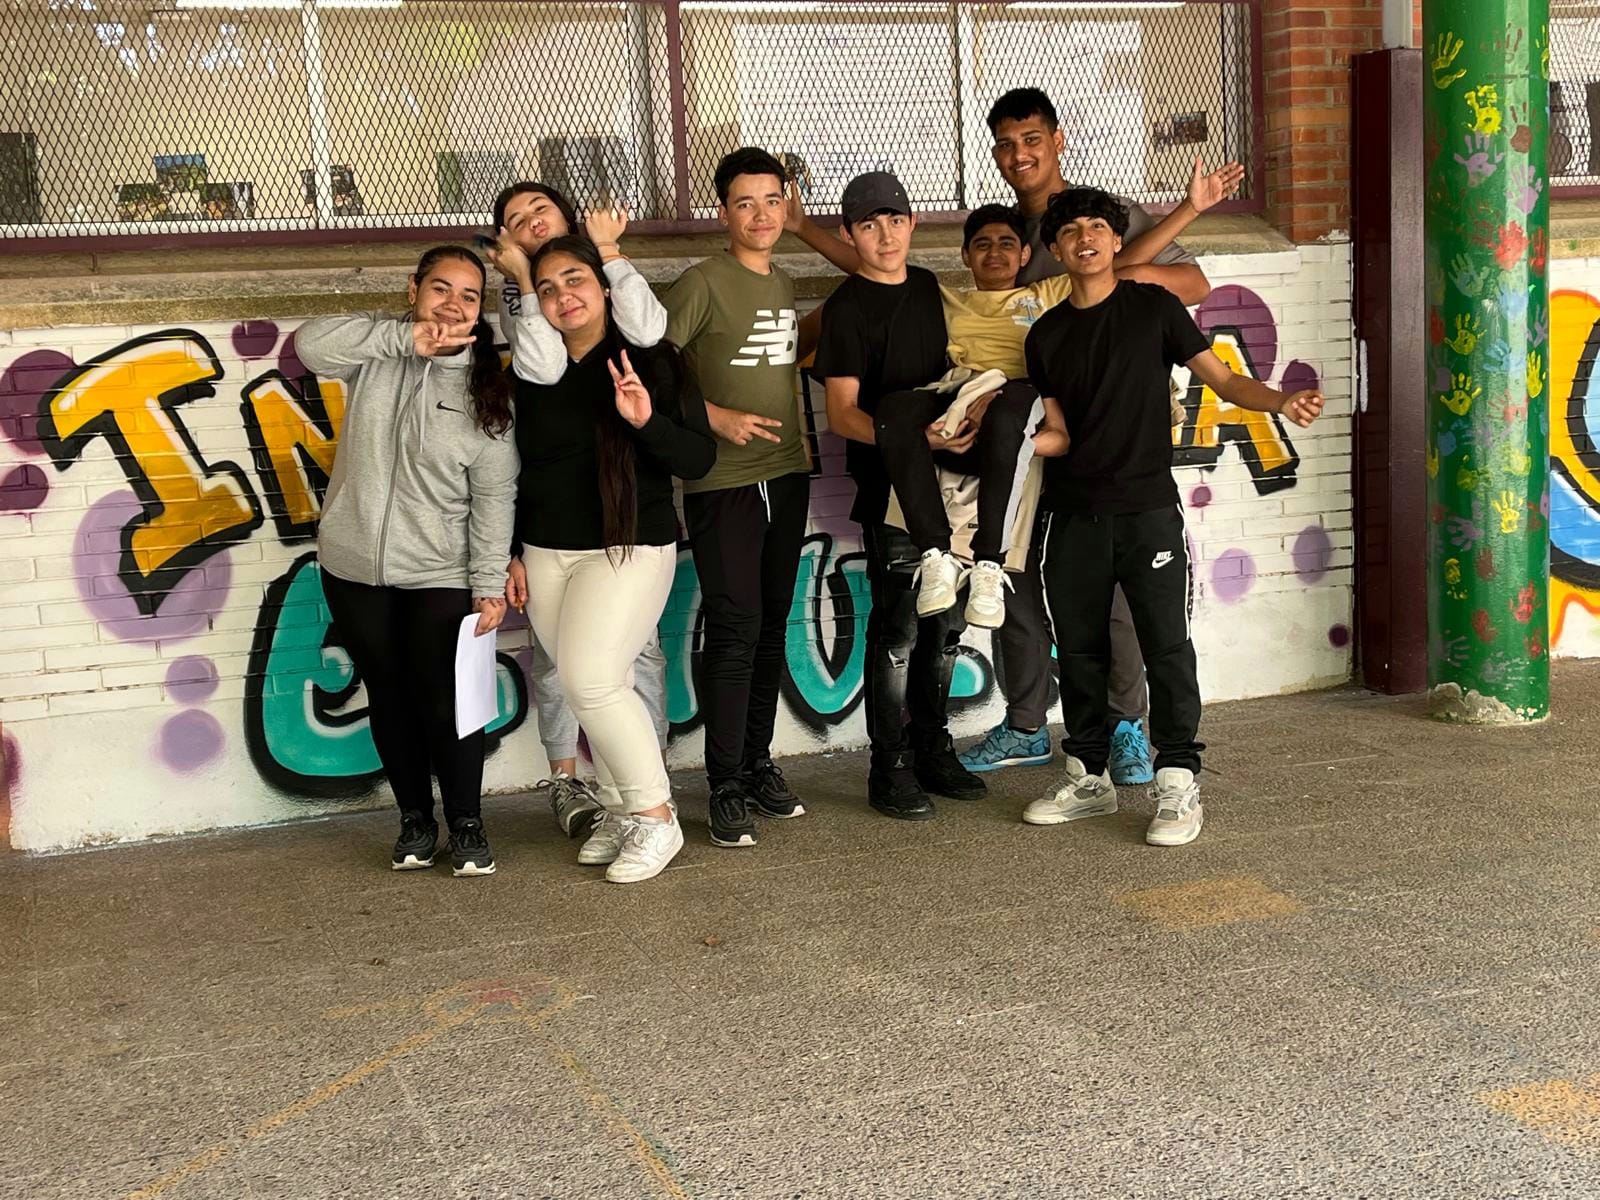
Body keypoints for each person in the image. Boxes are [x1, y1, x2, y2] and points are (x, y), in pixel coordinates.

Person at [1022, 188, 1324, 845]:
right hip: (1072, 516)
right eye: (1070, 232)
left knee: (1165, 648)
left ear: (1115, 240)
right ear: (1055, 249)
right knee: (1080, 652)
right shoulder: (1045, 335)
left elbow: (1224, 381)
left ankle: (1179, 780)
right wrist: (997, 446)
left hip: (1147, 512)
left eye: (1097, 228)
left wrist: (1280, 402)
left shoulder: (1153, 308)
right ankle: (1089, 777)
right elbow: (1059, 432)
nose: (1085, 239)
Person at [960, 85, 1242, 787]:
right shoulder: (1006, 233)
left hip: (1107, 446)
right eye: (1006, 144)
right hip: (1028, 437)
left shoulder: (1109, 216)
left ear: (1058, 140)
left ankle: (1125, 727)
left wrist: (1117, 268)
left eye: (1033, 139)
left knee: (1118, 605)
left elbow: (1193, 282)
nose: (1020, 155)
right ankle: (1027, 723)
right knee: (1016, 583)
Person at [296, 245, 519, 876]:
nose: (452, 305)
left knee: (447, 702)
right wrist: (403, 340)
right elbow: (310, 345)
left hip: (439, 573)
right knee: (389, 698)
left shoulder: (487, 395)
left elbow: (495, 497)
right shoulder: (376, 354)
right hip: (353, 568)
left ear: (479, 311)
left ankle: (467, 824)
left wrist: (487, 583)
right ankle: (415, 822)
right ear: (413, 290)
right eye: (440, 289)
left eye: (469, 296)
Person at [507, 236, 715, 882]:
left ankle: (656, 817)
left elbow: (697, 459)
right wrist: (510, 553)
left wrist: (645, 420)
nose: (563, 296)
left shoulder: (654, 361)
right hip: (547, 551)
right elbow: (512, 470)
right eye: (547, 288)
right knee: (595, 685)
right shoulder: (531, 371)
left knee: (591, 680)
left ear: (603, 286)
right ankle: (624, 808)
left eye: (574, 279)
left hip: (628, 547)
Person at [485, 181, 670, 837]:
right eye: (515, 219)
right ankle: (587, 790)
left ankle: (650, 802)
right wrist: (524, 283)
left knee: (618, 668)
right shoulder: (523, 299)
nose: (530, 222)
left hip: (626, 532)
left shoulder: (613, 294)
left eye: (539, 209)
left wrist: (610, 251)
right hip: (553, 535)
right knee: (569, 668)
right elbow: (538, 371)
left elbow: (650, 332)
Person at [812, 171, 987, 819]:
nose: (885, 235)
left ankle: (932, 748)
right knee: (899, 631)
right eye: (868, 224)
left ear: (912, 223)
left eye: (894, 220)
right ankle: (887, 767)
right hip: (890, 490)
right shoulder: (846, 309)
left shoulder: (930, 290)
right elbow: (842, 414)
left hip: (952, 487)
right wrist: (913, 440)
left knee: (946, 625)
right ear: (849, 234)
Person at [663, 147, 813, 849]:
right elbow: (647, 370)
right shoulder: (702, 282)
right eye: (745, 203)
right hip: (724, 482)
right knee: (734, 627)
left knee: (772, 624)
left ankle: (756, 764)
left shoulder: (784, 281)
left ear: (786, 205)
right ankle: (722, 784)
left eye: (771, 200)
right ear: (724, 212)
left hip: (786, 474)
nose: (760, 215)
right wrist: (714, 417)